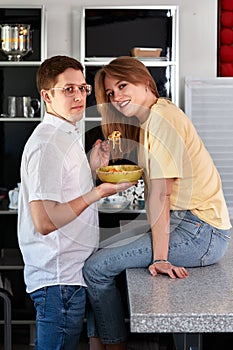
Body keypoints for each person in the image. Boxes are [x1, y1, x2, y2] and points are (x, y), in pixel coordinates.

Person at [83, 56, 232, 350]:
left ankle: (109, 347)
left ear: (145, 81)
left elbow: (161, 193)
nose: (116, 97)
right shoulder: (156, 117)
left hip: (200, 232)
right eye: (111, 93)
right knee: (101, 254)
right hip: (190, 225)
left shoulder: (162, 119)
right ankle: (99, 344)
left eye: (122, 85)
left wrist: (161, 258)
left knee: (95, 269)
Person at [17, 55, 134, 350]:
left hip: (69, 275)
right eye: (68, 89)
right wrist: (99, 192)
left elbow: (63, 194)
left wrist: (91, 167)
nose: (79, 96)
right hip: (58, 281)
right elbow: (45, 220)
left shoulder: (65, 136)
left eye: (82, 88)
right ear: (47, 96)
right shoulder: (47, 144)